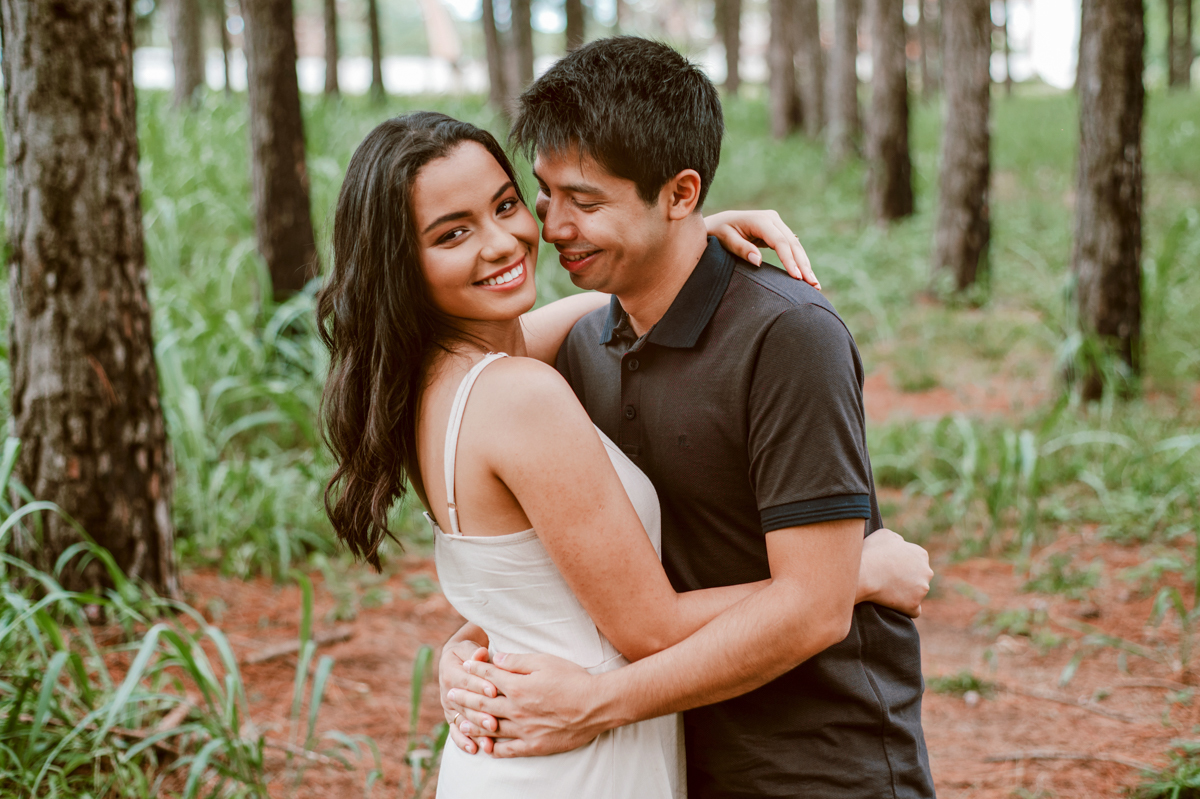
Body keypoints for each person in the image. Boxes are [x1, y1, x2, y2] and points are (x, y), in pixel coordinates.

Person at [317, 109, 932, 797]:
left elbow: (629, 299)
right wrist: (856, 572)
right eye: (453, 233)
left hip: (516, 748)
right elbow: (651, 625)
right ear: (401, 260)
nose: (505, 241)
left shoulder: (430, 378)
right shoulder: (520, 393)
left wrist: (688, 231)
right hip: (577, 747)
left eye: (506, 204)